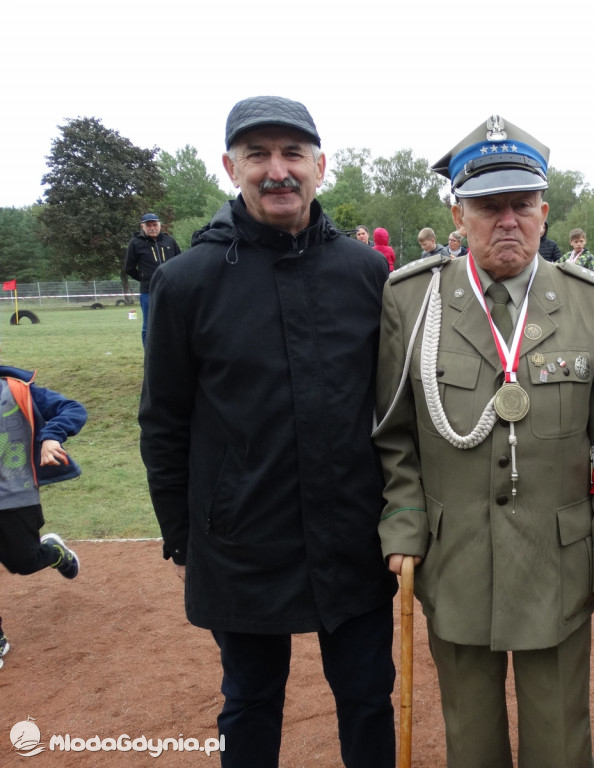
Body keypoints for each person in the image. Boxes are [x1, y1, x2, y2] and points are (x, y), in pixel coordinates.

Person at [375, 114, 594, 768]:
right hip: (453, 556)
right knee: (471, 739)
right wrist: (405, 528)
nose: (507, 220)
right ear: (458, 213)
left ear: (545, 212)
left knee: (559, 737)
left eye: (521, 204)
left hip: (560, 560)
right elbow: (394, 435)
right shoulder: (413, 300)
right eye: (487, 206)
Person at [138, 95, 397, 768]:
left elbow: (395, 410)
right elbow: (163, 421)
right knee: (251, 700)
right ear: (231, 167)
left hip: (353, 535)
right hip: (240, 540)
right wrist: (183, 535)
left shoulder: (367, 273)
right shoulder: (185, 281)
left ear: (321, 166)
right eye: (258, 155)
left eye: (292, 154)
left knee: (368, 697)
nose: (277, 170)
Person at [0, 356, 87, 671]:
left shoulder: (15, 389)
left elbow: (73, 408)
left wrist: (51, 437)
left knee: (23, 562)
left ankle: (53, 553)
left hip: (14, 497)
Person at [123, 213, 181, 346]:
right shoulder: (136, 243)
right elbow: (129, 268)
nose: (152, 228)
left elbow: (180, 261)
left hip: (170, 291)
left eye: (154, 224)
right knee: (149, 325)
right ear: (142, 226)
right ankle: (149, 356)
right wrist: (145, 279)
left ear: (160, 225)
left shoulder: (169, 241)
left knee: (172, 323)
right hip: (148, 291)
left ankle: (171, 353)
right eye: (148, 225)